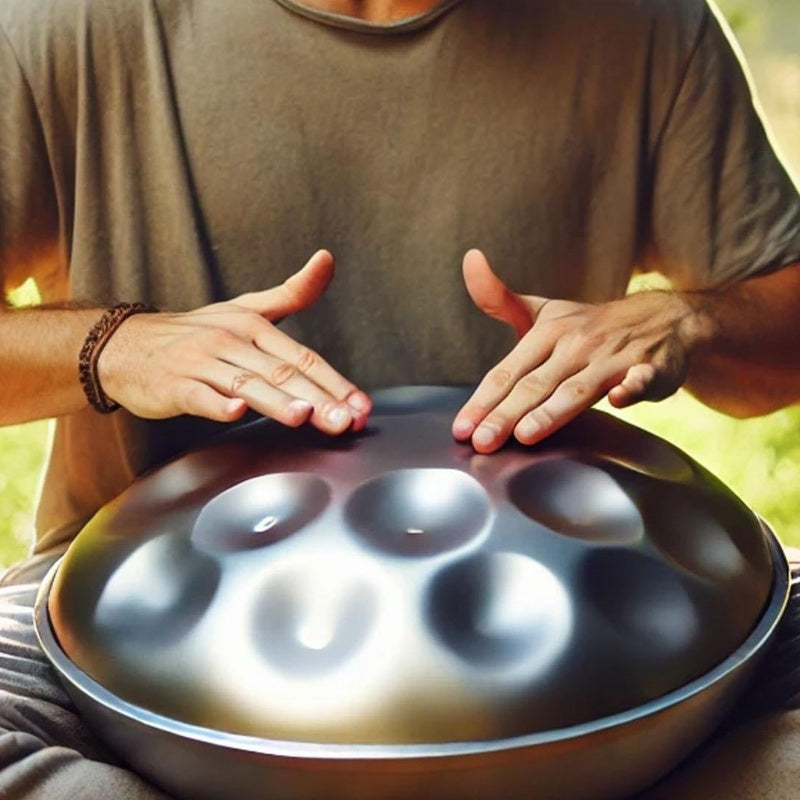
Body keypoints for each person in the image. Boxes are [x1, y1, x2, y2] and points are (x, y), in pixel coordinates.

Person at [0, 0, 799, 796]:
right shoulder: (74, 23)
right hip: (123, 630)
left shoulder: (644, 27)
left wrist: (691, 319)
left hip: (574, 647)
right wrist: (111, 346)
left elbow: (780, 354)